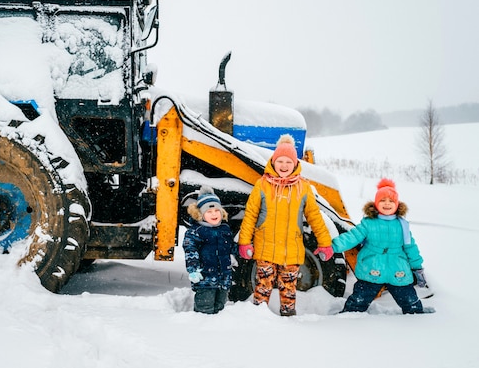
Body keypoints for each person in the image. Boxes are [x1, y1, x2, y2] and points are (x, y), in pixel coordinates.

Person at [237, 134, 333, 316]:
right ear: (273, 162)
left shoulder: (303, 187)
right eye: (280, 161)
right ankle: (258, 318)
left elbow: (314, 216)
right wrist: (245, 242)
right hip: (265, 247)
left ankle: (289, 322)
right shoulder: (263, 185)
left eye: (288, 162)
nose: (284, 166)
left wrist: (324, 242)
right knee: (262, 288)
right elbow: (250, 214)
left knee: (289, 291)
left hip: (291, 249)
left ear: (296, 164)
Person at [332, 178, 434, 314]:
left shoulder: (402, 225)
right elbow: (352, 237)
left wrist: (417, 267)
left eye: (391, 201)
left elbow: (411, 247)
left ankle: (417, 315)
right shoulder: (368, 223)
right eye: (382, 200)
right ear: (376, 204)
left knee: (409, 299)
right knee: (359, 299)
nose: (387, 204)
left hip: (398, 271)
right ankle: (348, 315)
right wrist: (332, 246)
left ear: (397, 204)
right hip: (371, 268)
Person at [183, 185, 237, 314]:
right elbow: (190, 250)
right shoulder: (196, 232)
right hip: (205, 278)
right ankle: (202, 330)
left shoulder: (225, 229)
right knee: (205, 309)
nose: (214, 214)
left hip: (224, 278)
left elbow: (230, 247)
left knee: (220, 309)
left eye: (217, 211)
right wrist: (193, 270)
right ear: (200, 214)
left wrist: (240, 250)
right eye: (209, 212)